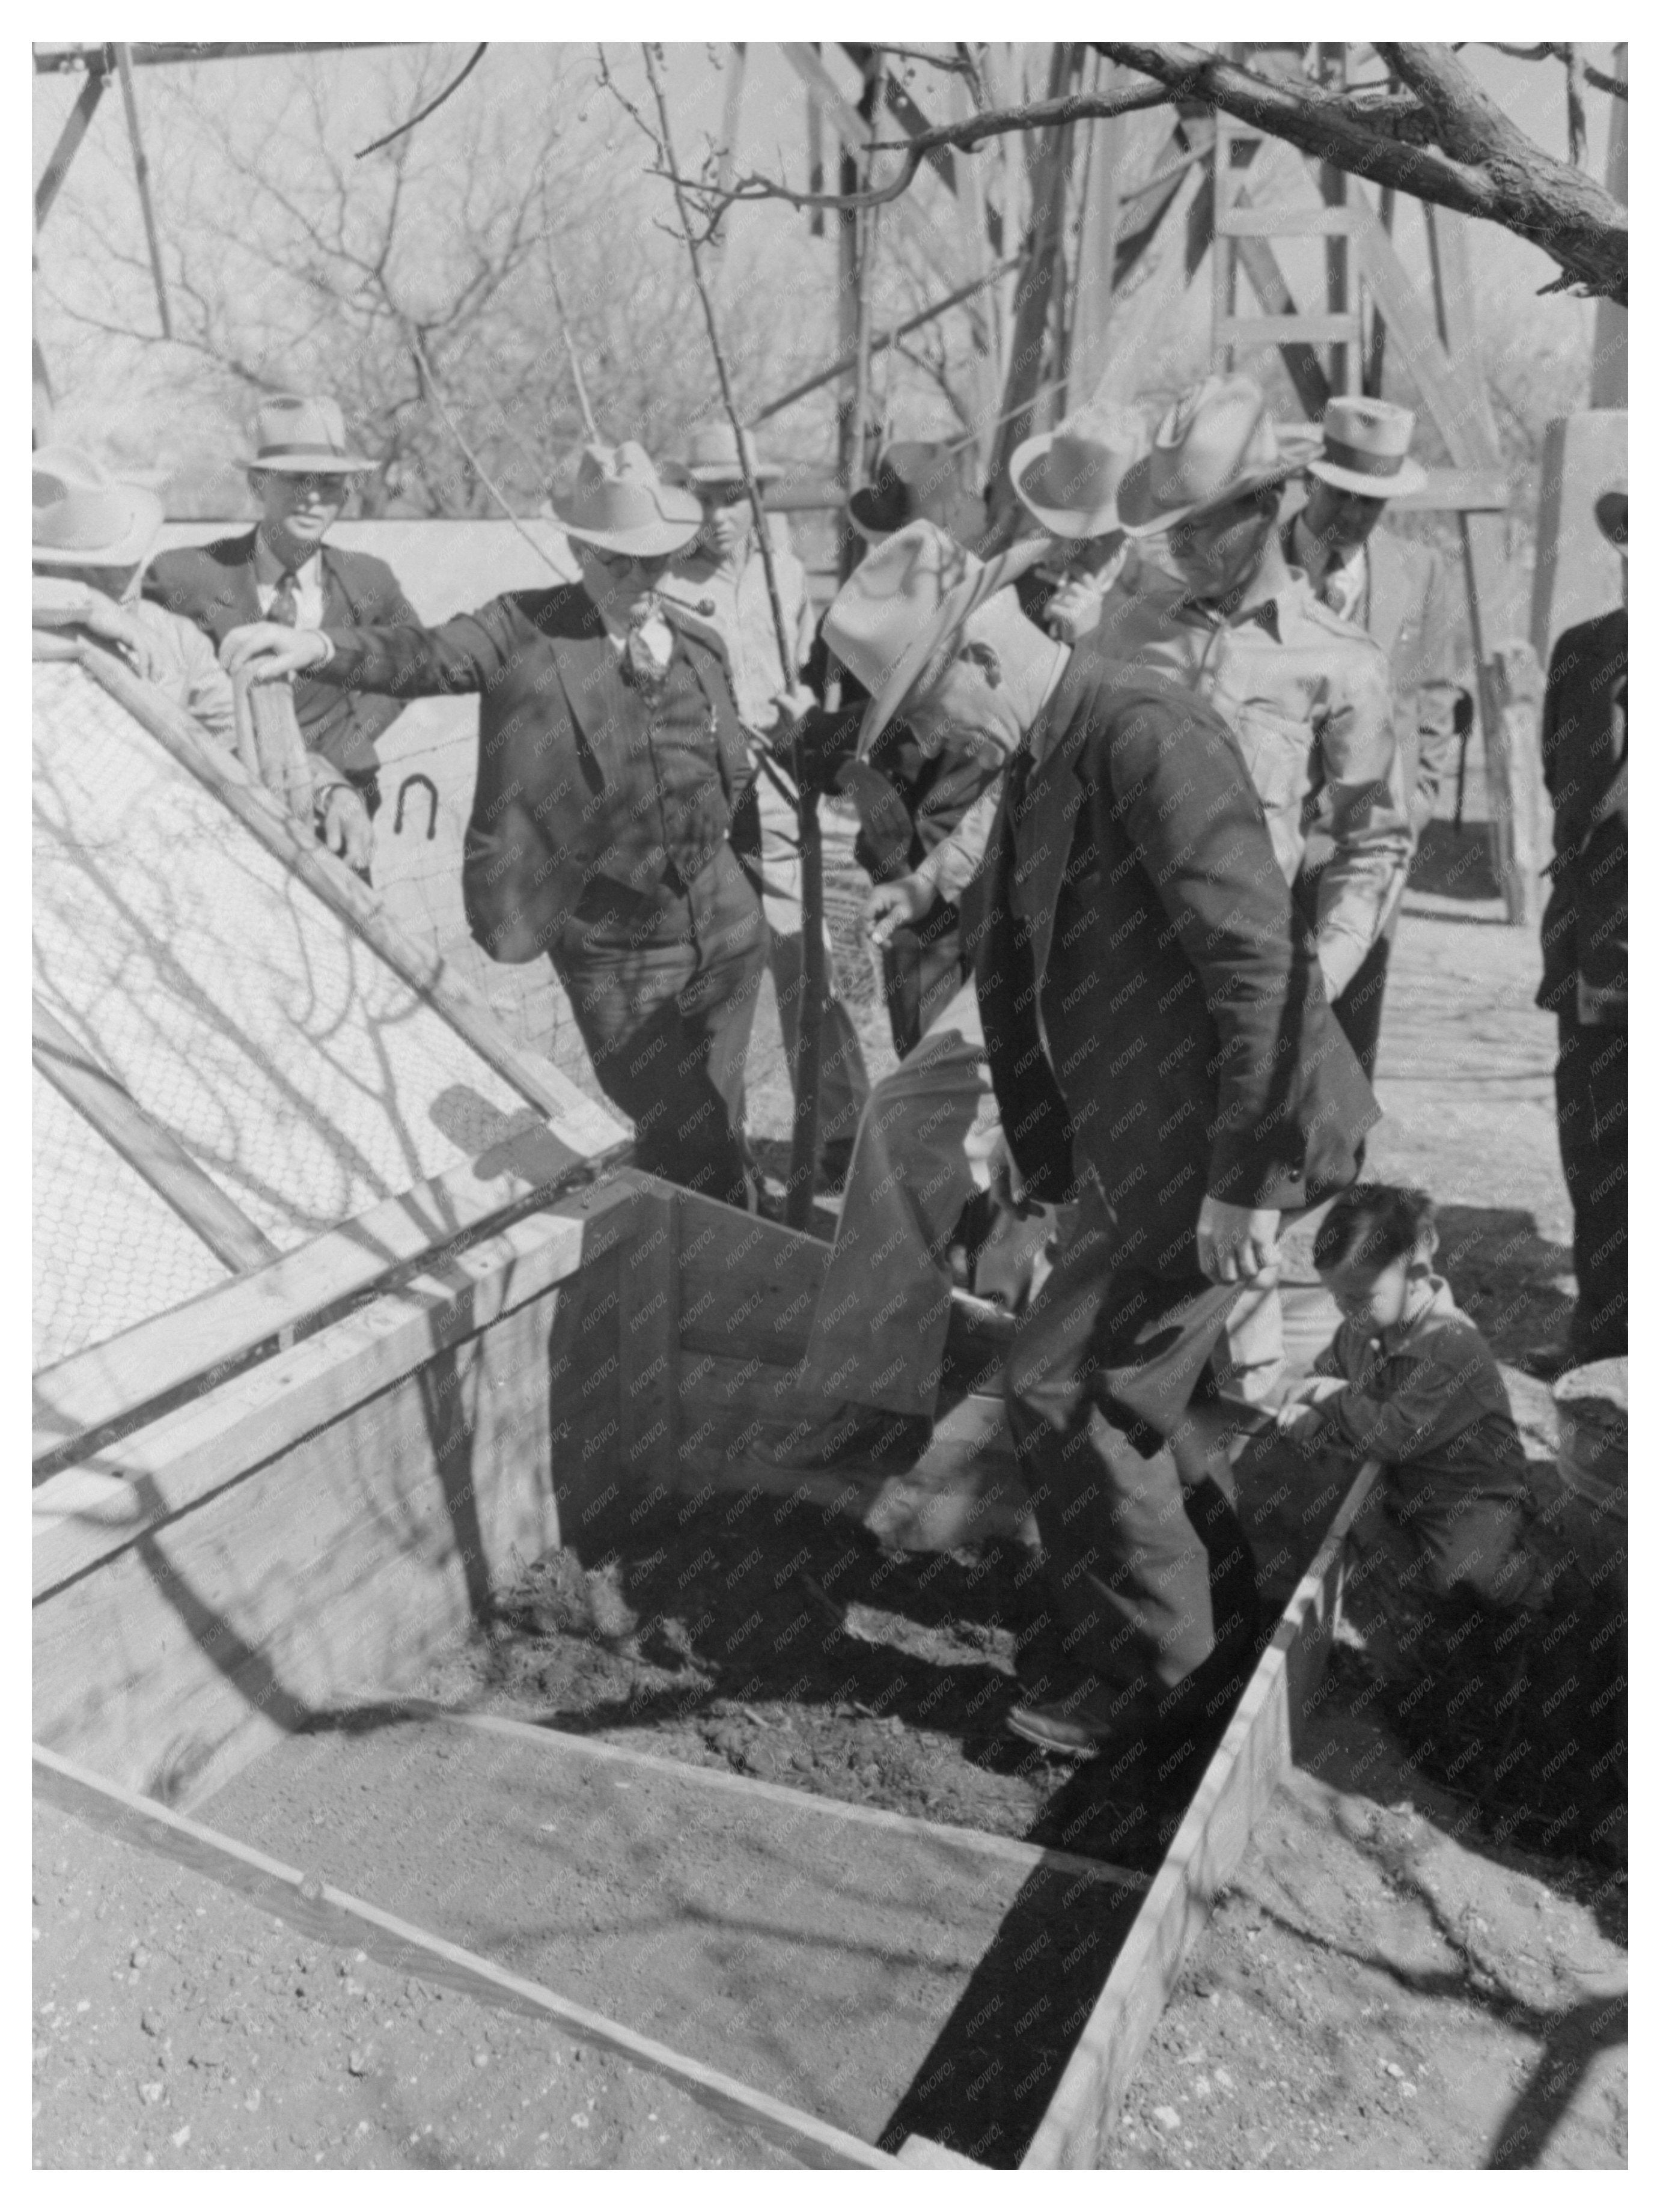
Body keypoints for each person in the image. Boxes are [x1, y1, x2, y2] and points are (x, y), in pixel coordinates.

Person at [814, 522, 1376, 1756]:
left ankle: (1154, 1693)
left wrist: (1246, 1181)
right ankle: (1212, 1632)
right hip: (1152, 1141)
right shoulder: (1044, 755)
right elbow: (1018, 973)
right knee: (1129, 1394)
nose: (933, 743)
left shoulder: (1143, 734)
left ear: (978, 657)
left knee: (1071, 1385)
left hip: (1231, 1142)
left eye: (927, 709)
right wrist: (1040, 1148)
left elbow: (1256, 962)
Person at [221, 441, 767, 1211]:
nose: (642, 582)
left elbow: (731, 775)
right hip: (615, 947)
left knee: (716, 1117)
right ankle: (750, 1262)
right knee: (688, 1130)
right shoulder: (524, 629)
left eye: (658, 563)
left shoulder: (701, 646)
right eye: (620, 563)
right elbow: (424, 655)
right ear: (580, 549)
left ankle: (709, 1273)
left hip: (725, 927)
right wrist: (315, 645)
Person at [663, 418, 869, 1184]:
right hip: (699, 800)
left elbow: (813, 668)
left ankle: (841, 1132)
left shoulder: (785, 572)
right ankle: (721, 1139)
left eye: (731, 499)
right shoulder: (664, 582)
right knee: (713, 974)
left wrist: (803, 715)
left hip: (778, 787)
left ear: (757, 499)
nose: (716, 516)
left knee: (804, 958)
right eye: (702, 498)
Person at [145, 395, 417, 880]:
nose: (312, 498)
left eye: (329, 483)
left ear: (347, 493)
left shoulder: (369, 581)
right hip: (222, 826)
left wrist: (344, 747)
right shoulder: (186, 576)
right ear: (257, 484)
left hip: (338, 823)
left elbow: (414, 663)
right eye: (295, 480)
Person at [1274, 1183, 1539, 1671]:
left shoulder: (1448, 1344)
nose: (1343, 1310)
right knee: (1354, 1530)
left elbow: (1393, 1435)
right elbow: (1323, 1374)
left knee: (1469, 1579)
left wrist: (1328, 1398)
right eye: (1335, 1295)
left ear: (1416, 1273)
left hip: (1470, 1492)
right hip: (1403, 1485)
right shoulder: (1360, 1326)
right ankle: (1414, 1618)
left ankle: (1530, 1586)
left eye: (1357, 1296)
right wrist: (1313, 1403)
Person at [1284, 398, 1469, 1079]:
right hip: (1263, 836)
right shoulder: (1255, 561)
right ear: (1310, 481)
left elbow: (1435, 694)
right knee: (1253, 1020)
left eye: (1373, 503)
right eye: (1343, 495)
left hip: (1368, 843)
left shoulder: (1419, 574)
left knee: (1347, 1029)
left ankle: (1328, 1182)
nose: (1354, 517)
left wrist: (1416, 800)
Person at [1530, 484, 1628, 1370]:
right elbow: (1559, 782)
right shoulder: (1583, 652)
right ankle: (1602, 1335)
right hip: (1594, 950)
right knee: (1594, 1147)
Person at [32, 445, 237, 747]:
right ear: (41, 569)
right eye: (94, 570)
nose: (120, 582)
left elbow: (229, 732)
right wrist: (88, 605)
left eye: (130, 561)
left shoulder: (177, 636)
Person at [1006, 405, 1144, 645]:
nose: (1063, 552)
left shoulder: (1153, 613)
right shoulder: (1016, 591)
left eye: (1087, 541)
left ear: (1129, 530)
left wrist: (1086, 639)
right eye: (1054, 532)